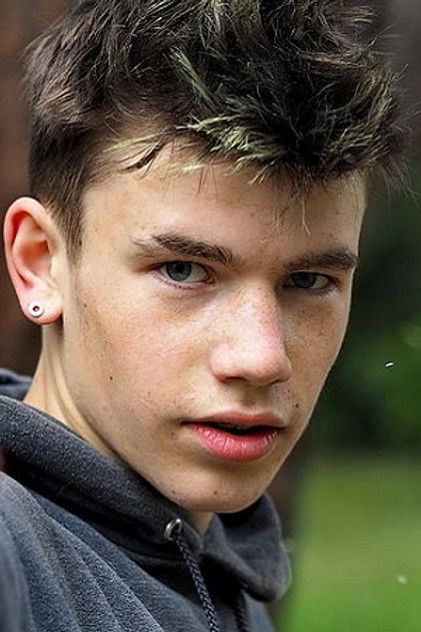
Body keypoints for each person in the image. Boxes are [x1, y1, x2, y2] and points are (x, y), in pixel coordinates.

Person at [0, 1, 405, 631]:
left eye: (309, 281)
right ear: (41, 264)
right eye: (184, 270)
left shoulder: (221, 562)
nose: (261, 358)